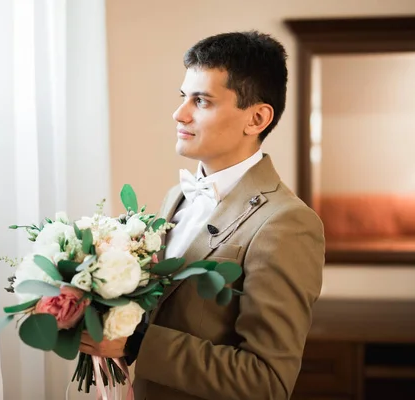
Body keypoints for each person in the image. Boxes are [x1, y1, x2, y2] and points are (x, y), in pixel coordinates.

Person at [80, 31, 325, 400]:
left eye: (202, 101)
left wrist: (139, 342)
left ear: (257, 118)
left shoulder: (287, 224)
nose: (179, 113)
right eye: (183, 97)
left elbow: (268, 382)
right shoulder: (176, 197)